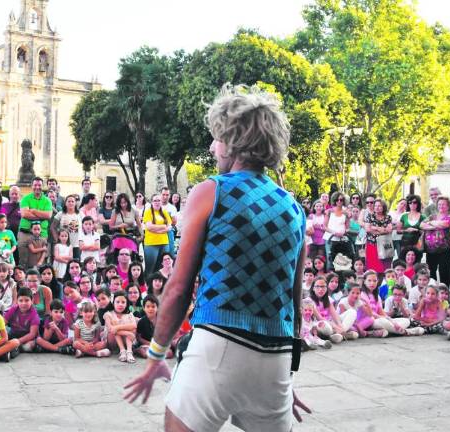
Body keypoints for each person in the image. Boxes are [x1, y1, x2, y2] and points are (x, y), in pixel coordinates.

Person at [124, 84, 310, 431]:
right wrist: (288, 376)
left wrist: (155, 354)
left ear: (234, 142)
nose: (212, 147)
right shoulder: (295, 209)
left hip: (219, 344)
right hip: (277, 355)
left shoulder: (212, 191)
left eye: (217, 138)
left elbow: (179, 287)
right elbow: (295, 306)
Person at [18, 177, 53, 266]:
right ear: (31, 186)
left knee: (40, 260)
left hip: (42, 233)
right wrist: (41, 216)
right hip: (25, 232)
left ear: (43, 186)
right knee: (23, 258)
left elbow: (48, 215)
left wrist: (33, 211)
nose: (37, 187)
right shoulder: (25, 198)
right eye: (35, 185)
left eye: (39, 185)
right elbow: (25, 214)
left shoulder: (47, 200)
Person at [421, 196, 450, 284]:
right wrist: (436, 225)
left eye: (443, 204)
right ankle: (433, 291)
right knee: (431, 272)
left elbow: (444, 225)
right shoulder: (432, 216)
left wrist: (430, 223)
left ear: (448, 206)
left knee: (444, 271)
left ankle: (444, 291)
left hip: (445, 250)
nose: (441, 206)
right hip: (430, 250)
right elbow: (421, 225)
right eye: (439, 204)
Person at [142, 194, 171, 274]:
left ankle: (161, 285)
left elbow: (169, 227)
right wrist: (163, 226)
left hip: (164, 243)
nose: (157, 202)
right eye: (155, 200)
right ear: (151, 202)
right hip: (151, 243)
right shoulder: (148, 212)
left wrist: (158, 230)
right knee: (150, 269)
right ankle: (149, 285)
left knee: (163, 268)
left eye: (159, 200)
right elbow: (149, 227)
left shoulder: (164, 212)